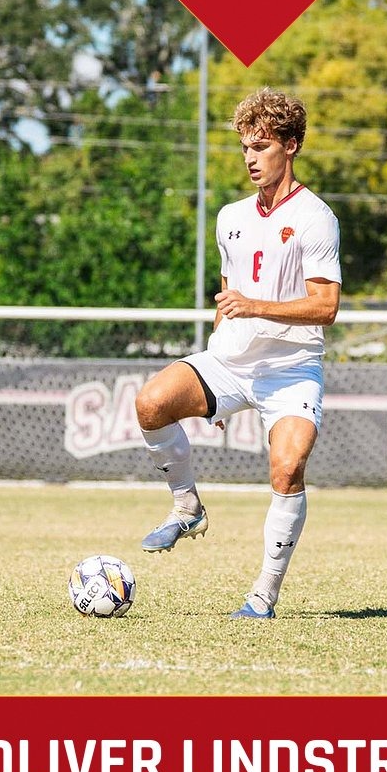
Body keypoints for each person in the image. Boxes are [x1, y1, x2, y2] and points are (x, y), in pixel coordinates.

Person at [130, 89, 340, 618]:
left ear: (290, 146)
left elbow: (326, 306)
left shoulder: (317, 218)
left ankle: (262, 598)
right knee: (151, 404)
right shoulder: (230, 217)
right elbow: (229, 300)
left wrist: (256, 306)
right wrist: (213, 392)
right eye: (245, 146)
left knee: (287, 468)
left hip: (291, 369)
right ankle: (186, 506)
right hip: (228, 362)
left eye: (262, 145)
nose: (250, 157)